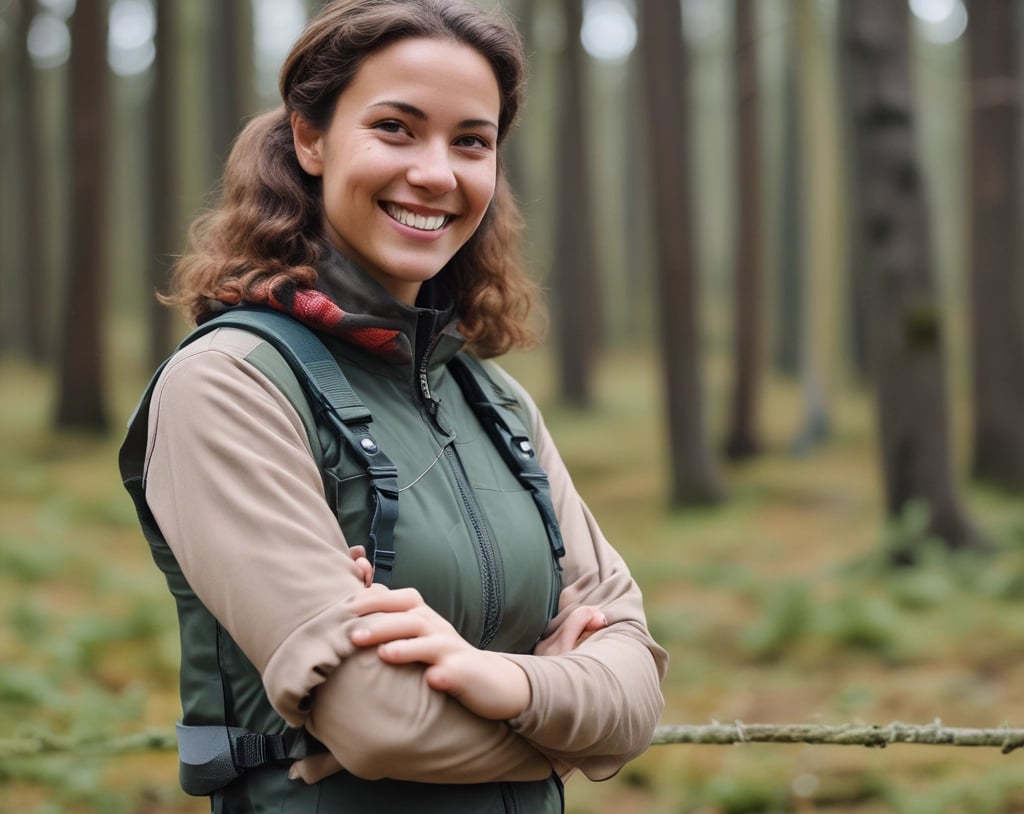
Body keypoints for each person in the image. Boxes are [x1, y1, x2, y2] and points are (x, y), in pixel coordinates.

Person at [120, 1, 668, 811]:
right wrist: (563, 710)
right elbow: (382, 724)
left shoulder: (495, 401)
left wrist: (497, 680)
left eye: (471, 141)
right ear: (310, 138)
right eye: (396, 128)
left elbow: (637, 695)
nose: (438, 173)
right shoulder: (231, 384)